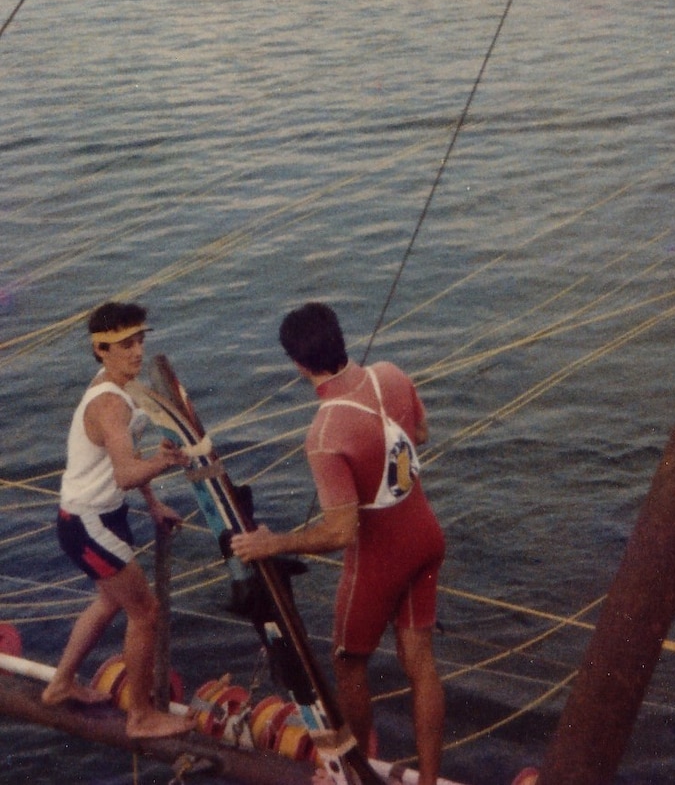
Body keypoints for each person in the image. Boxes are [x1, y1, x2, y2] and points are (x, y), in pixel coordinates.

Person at [231, 302, 446, 785]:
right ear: (340, 339)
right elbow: (423, 436)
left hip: (380, 556)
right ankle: (429, 781)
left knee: (348, 661)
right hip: (426, 534)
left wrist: (274, 544)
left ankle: (355, 773)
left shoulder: (325, 433)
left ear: (298, 365)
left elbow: (340, 532)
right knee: (421, 661)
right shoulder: (390, 373)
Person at [42, 302, 193, 738]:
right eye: (126, 345)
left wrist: (153, 503)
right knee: (145, 612)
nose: (137, 352)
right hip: (88, 524)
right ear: (102, 350)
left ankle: (60, 684)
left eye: (140, 340)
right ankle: (141, 718)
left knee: (110, 601)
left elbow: (122, 460)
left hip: (100, 516)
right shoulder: (111, 404)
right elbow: (127, 472)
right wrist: (164, 464)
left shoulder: (118, 386)